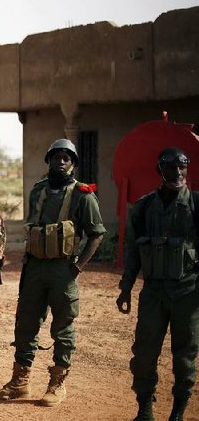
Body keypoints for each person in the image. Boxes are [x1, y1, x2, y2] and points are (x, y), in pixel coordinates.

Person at [0, 138, 105, 407]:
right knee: (25, 325)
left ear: (73, 164)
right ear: (48, 161)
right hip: (35, 268)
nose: (60, 161)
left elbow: (97, 234)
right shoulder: (38, 191)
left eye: (66, 158)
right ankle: (20, 382)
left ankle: (57, 384)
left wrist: (77, 267)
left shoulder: (83, 195)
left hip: (63, 270)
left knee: (62, 327)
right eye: (55, 157)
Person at [116, 147, 198, 421]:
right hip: (153, 292)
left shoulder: (196, 205)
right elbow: (133, 252)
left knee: (184, 355)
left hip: (188, 292)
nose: (177, 173)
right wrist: (126, 287)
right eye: (170, 168)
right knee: (144, 354)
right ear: (160, 171)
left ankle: (178, 411)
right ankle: (145, 410)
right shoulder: (144, 207)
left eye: (181, 167)